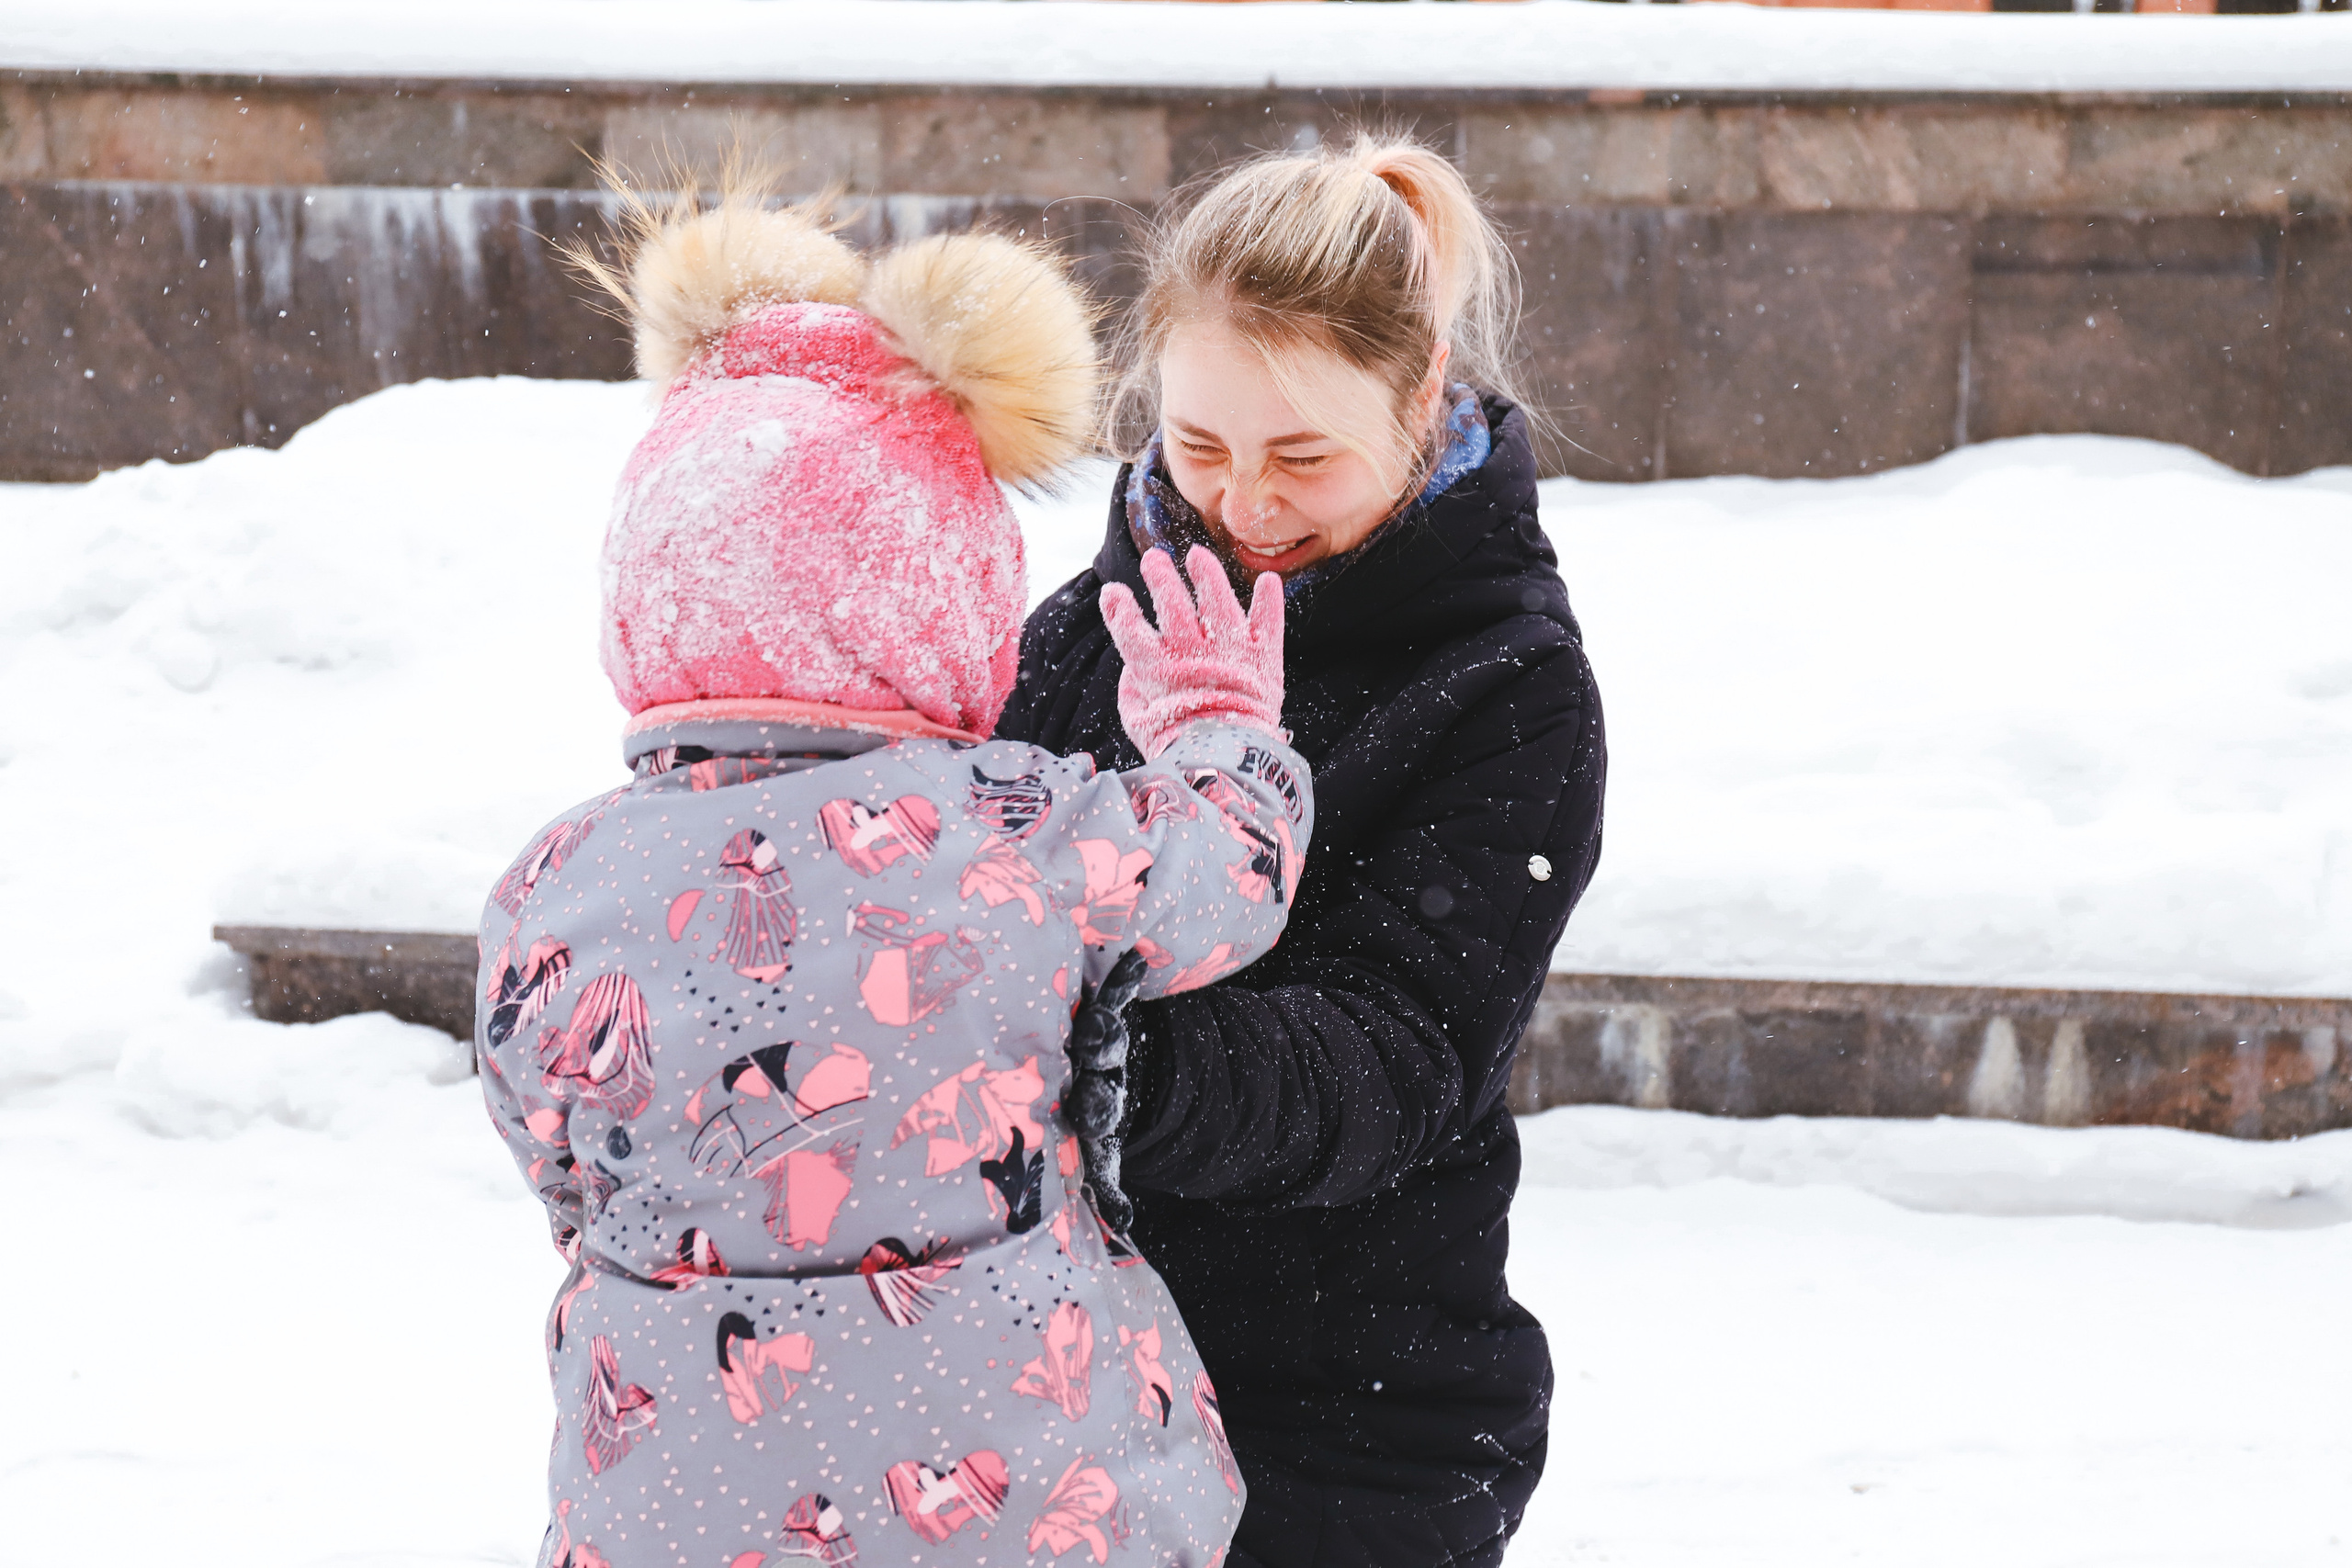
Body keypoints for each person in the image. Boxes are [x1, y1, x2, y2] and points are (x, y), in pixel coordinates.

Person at [476, 188, 1315, 1568]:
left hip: (678, 1507)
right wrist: (1220, 724)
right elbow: (1225, 879)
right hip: (1032, 1509)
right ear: (948, 592)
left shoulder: (555, 884)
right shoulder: (1018, 828)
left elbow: (556, 1152)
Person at [993, 135, 1609, 1568]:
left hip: (1341, 1421)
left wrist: (1060, 1074)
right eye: (1201, 448)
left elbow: (1391, 1063)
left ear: (1420, 397)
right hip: (1049, 1399)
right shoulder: (1087, 627)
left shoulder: (1508, 689)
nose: (1248, 507)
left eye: (1305, 457)